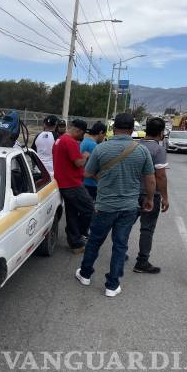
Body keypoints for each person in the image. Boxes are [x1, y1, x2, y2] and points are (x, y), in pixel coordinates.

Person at [76, 113, 156, 297]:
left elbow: (87, 173)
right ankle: (112, 285)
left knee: (95, 241)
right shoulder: (141, 150)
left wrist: (103, 178)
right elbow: (150, 180)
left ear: (114, 128)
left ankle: (85, 274)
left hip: (104, 205)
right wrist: (150, 199)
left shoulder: (101, 148)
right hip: (129, 207)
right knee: (120, 245)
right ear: (132, 130)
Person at [134, 117, 169, 274]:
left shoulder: (135, 146)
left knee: (124, 225)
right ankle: (142, 262)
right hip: (150, 195)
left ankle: (120, 253)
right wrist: (165, 197)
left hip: (132, 193)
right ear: (161, 133)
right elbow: (160, 176)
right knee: (147, 229)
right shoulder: (158, 150)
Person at [52, 118, 93, 253]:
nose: (83, 137)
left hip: (64, 183)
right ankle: (77, 234)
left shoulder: (59, 140)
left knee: (72, 213)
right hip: (72, 184)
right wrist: (85, 156)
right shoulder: (70, 142)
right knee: (89, 209)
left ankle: (75, 243)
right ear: (79, 131)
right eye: (83, 134)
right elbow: (79, 163)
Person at [80, 121, 107, 200]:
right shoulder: (94, 146)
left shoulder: (85, 141)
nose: (103, 138)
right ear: (100, 133)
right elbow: (95, 168)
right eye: (104, 135)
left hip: (83, 182)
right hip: (91, 184)